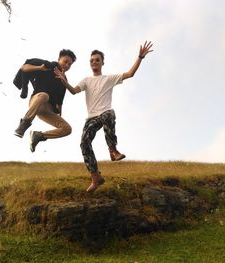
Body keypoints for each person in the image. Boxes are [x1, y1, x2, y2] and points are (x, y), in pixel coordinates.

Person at [55, 41, 153, 192]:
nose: (94, 62)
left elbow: (130, 74)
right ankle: (95, 177)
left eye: (97, 60)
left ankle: (113, 150)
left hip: (105, 113)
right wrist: (63, 80)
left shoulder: (109, 79)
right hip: (91, 118)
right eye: (92, 60)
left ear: (102, 63)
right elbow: (74, 91)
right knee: (84, 143)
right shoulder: (87, 80)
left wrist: (140, 57)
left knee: (109, 114)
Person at [13, 49, 76, 152]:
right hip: (37, 100)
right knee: (44, 96)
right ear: (59, 59)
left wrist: (59, 114)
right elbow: (24, 67)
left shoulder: (64, 79)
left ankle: (38, 136)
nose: (67, 65)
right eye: (65, 61)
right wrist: (40, 68)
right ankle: (24, 124)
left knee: (67, 129)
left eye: (70, 64)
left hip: (47, 110)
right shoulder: (48, 65)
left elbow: (60, 100)